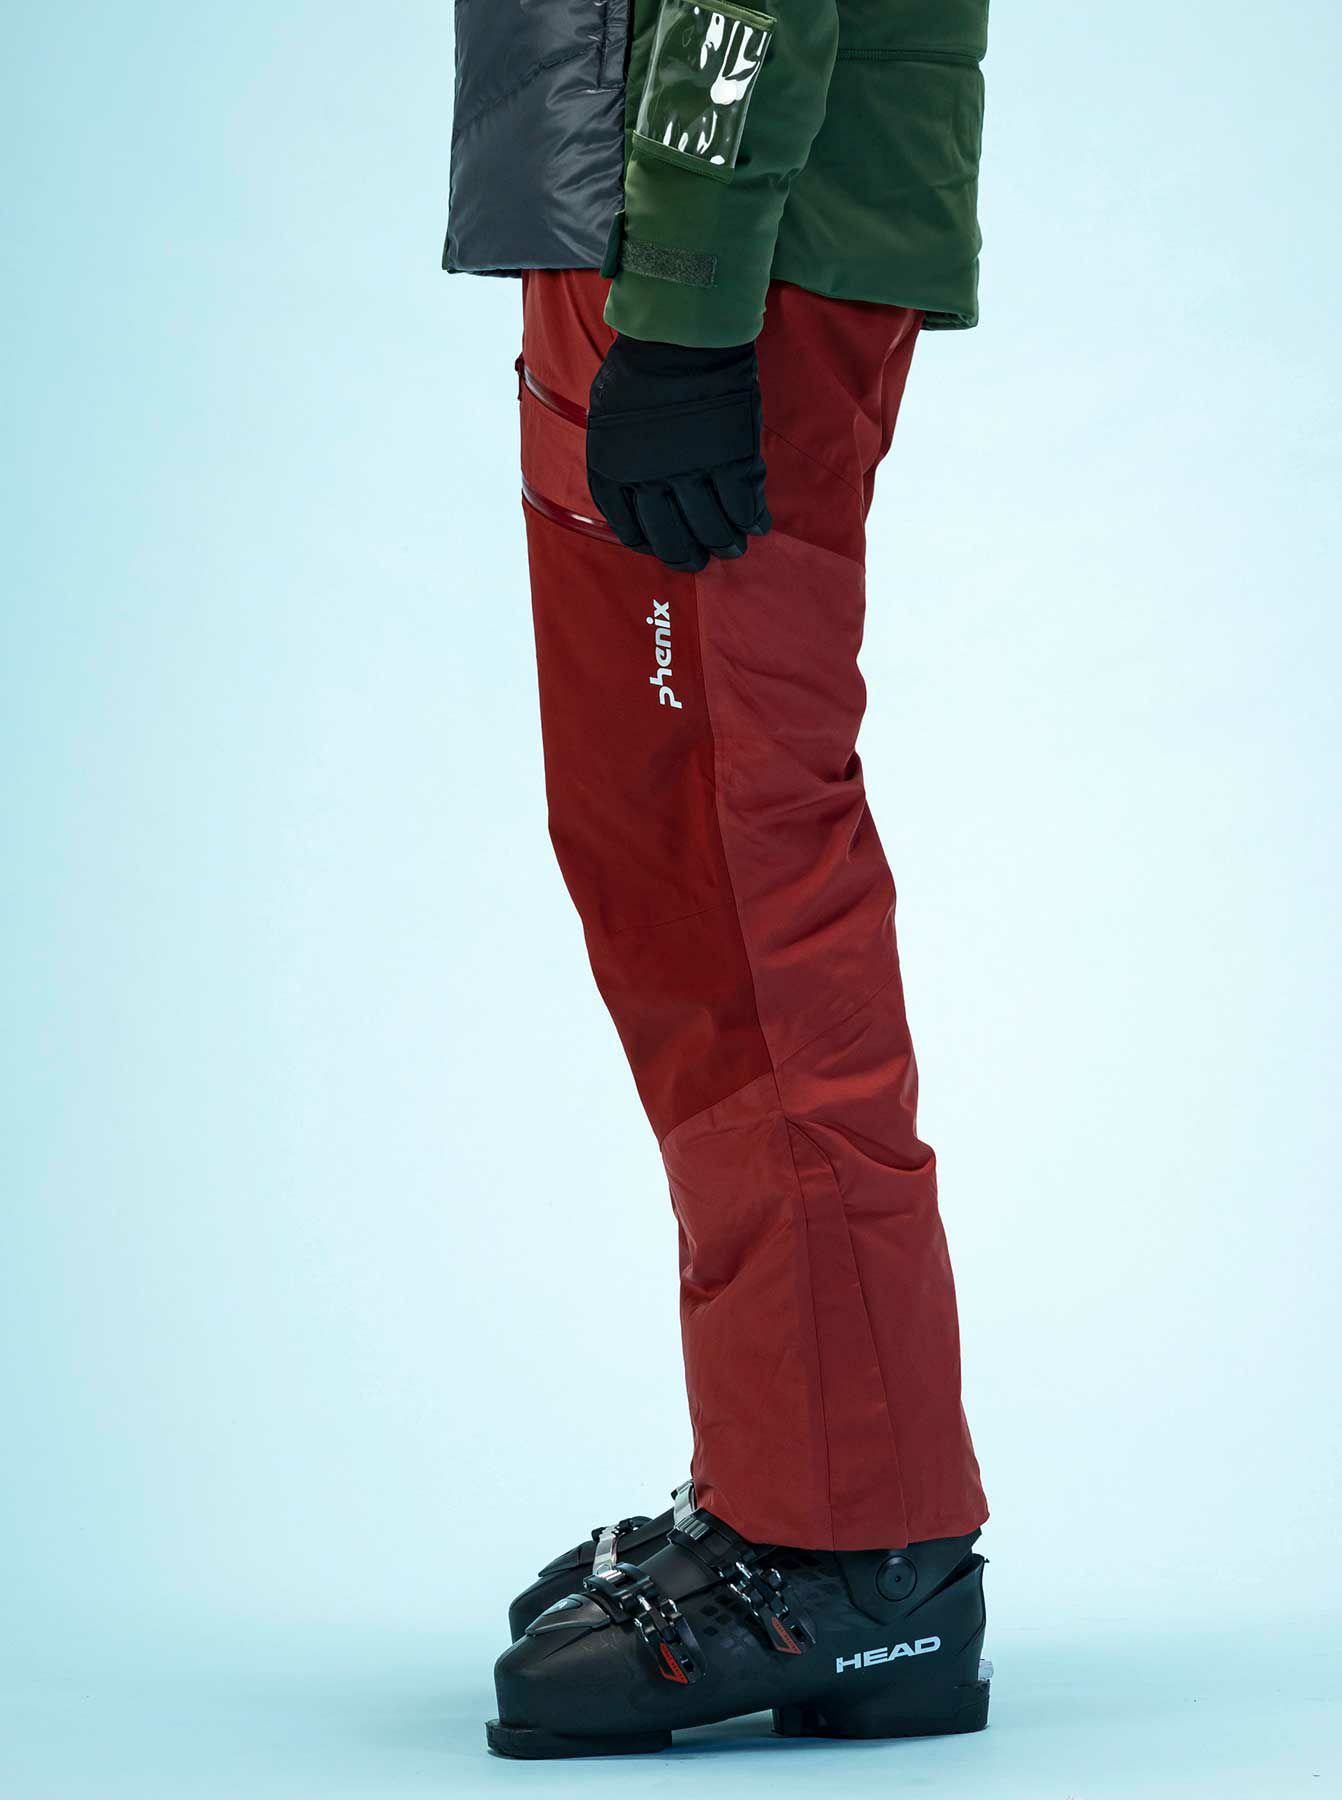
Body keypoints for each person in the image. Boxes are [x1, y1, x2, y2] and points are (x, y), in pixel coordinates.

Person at [445, 0, 992, 1758]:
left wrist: (684, 294)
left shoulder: (695, 267)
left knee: (739, 873)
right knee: (675, 870)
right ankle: (794, 1478)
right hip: (657, 229)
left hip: (711, 253)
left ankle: (856, 1547)